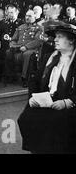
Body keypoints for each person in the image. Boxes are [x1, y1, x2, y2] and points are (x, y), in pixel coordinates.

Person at [18, 21, 76, 154]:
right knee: (26, 118)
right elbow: (36, 80)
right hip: (48, 100)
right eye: (55, 36)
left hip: (69, 103)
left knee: (55, 123)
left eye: (60, 37)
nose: (55, 40)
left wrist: (67, 102)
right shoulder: (49, 57)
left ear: (71, 40)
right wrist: (33, 97)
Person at [4, 10, 43, 87]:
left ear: (35, 16)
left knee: (27, 54)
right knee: (8, 52)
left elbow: (38, 41)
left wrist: (26, 47)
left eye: (30, 16)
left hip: (31, 49)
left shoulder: (39, 28)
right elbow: (13, 39)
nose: (27, 18)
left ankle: (25, 78)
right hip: (18, 48)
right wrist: (13, 45)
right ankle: (11, 76)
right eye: (26, 16)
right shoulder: (21, 27)